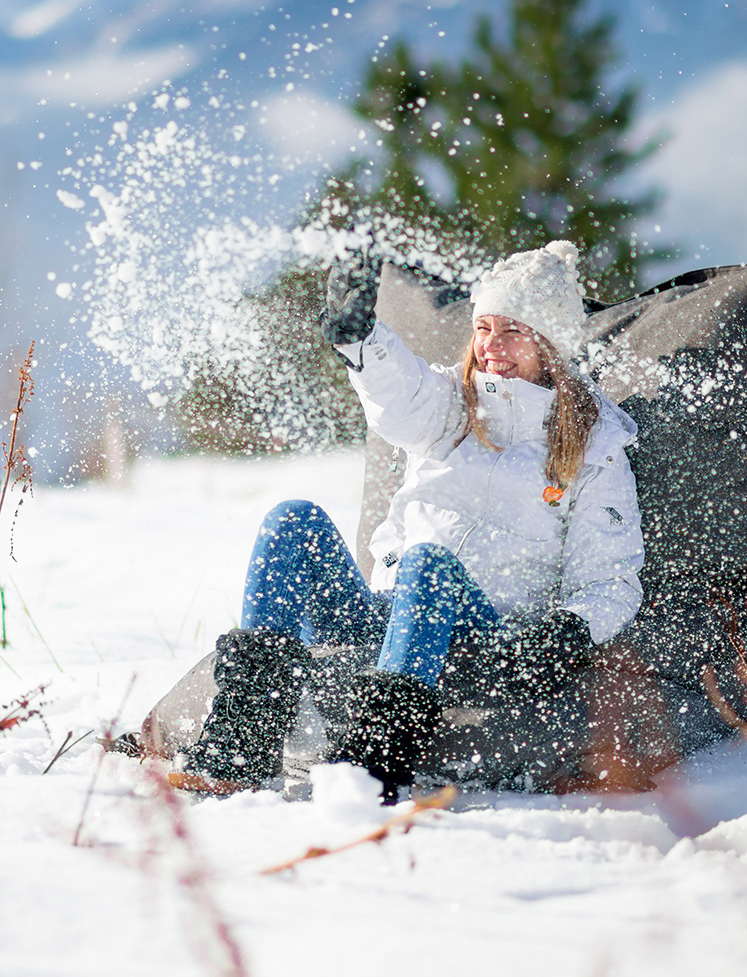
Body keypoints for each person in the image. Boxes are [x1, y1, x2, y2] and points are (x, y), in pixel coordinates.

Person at [169, 240, 644, 803]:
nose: (491, 346)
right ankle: (243, 741)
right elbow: (398, 393)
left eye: (512, 330)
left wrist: (567, 631)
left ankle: (373, 764)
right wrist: (359, 337)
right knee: (292, 519)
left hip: (482, 638)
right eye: (483, 327)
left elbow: (610, 580)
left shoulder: (596, 449)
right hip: (389, 615)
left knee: (429, 563)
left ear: (550, 343)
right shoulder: (450, 402)